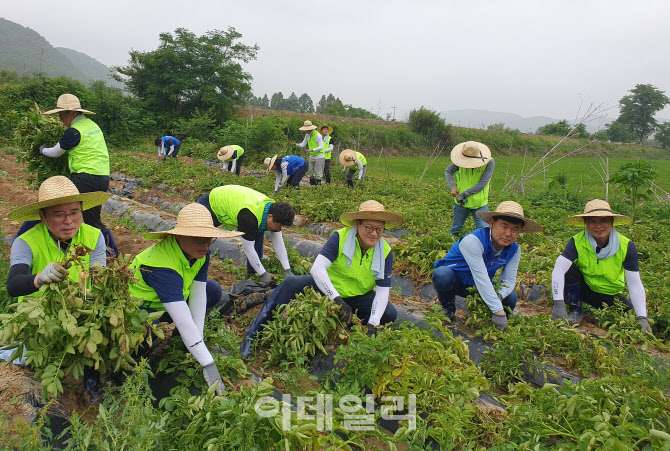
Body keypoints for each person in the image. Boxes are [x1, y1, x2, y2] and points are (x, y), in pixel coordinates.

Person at [240, 200, 404, 358]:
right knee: (290, 283)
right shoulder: (340, 237)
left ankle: (353, 326)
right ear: (357, 224)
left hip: (357, 295)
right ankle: (253, 334)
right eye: (369, 227)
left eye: (379, 229)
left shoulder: (385, 251)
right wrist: (336, 299)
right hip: (327, 288)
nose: (374, 233)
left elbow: (383, 291)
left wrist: (373, 323)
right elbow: (317, 269)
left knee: (389, 313)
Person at [6, 175, 109, 403]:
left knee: (96, 333)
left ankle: (91, 381)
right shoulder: (27, 241)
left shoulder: (94, 236)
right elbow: (13, 285)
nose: (68, 221)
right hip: (40, 318)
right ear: (42, 217)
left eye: (74, 212)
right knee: (28, 357)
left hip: (81, 313)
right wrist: (40, 278)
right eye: (58, 214)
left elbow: (99, 279)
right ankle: (40, 388)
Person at [129, 203, 243, 395]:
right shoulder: (162, 267)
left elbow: (198, 296)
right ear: (179, 235)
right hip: (141, 311)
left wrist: (196, 342)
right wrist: (208, 363)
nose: (205, 245)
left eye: (208, 240)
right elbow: (182, 318)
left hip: (170, 301)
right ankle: (130, 373)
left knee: (212, 290)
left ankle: (185, 342)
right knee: (142, 337)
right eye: (198, 239)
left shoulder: (200, 254)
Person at [432, 201, 542, 331]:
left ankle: (498, 325)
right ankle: (447, 306)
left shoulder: (514, 250)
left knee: (511, 297)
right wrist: (497, 310)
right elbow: (481, 277)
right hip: (456, 281)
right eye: (504, 227)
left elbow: (509, 280)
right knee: (442, 274)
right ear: (491, 223)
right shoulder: (473, 241)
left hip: (478, 287)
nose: (508, 233)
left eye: (514, 230)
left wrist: (499, 296)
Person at [551, 199, 652, 332]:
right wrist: (558, 303)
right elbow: (558, 269)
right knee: (568, 268)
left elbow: (634, 283)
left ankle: (601, 314)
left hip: (610, 295)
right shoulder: (577, 241)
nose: (598, 226)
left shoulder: (626, 246)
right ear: (585, 223)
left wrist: (642, 317)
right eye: (592, 221)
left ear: (612, 222)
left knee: (628, 312)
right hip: (584, 289)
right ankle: (576, 310)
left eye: (603, 220)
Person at [36, 93, 117, 257]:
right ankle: (111, 251)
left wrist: (41, 149)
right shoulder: (92, 125)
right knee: (92, 218)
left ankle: (34, 240)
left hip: (85, 177)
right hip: (101, 178)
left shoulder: (73, 132)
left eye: (60, 115)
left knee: (50, 206)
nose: (60, 119)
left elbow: (55, 152)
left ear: (71, 113)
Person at [196, 185, 295, 282]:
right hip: (212, 201)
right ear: (270, 216)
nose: (278, 229)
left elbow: (278, 241)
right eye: (278, 225)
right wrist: (264, 274)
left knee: (258, 233)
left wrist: (287, 270)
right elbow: (248, 249)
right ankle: (195, 271)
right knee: (199, 240)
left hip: (233, 200)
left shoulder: (270, 210)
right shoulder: (249, 217)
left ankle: (253, 274)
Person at [445, 141, 495, 236]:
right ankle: (450, 249)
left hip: (480, 203)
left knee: (485, 233)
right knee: (455, 230)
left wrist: (463, 194)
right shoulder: (459, 161)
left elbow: (482, 183)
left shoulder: (489, 162)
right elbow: (448, 171)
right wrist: (452, 187)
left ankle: (483, 250)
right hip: (461, 203)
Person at [295, 120, 325, 185]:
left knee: (317, 174)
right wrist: (296, 145)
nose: (306, 131)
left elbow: (321, 146)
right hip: (312, 156)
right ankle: (312, 188)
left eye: (307, 129)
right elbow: (303, 144)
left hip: (319, 157)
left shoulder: (317, 135)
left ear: (311, 128)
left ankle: (317, 190)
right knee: (311, 173)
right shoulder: (307, 135)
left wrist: (313, 150)